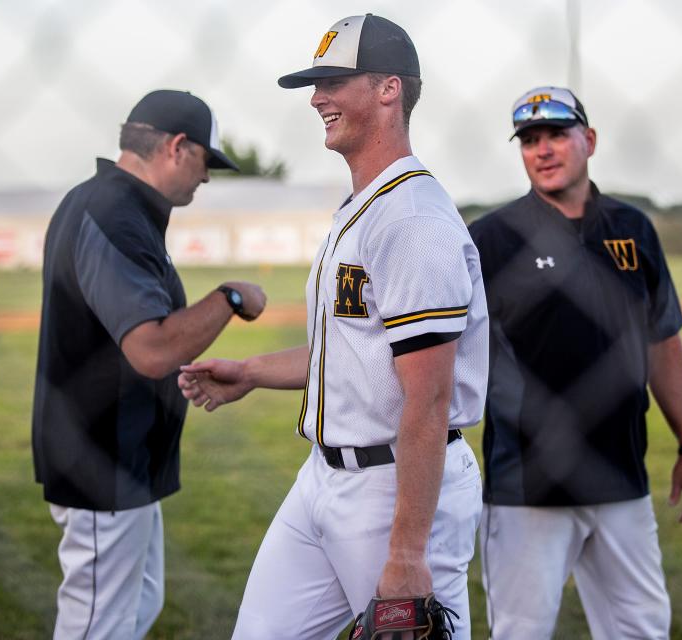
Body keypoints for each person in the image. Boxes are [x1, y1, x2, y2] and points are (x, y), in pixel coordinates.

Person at [178, 14, 488, 639]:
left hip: (394, 489)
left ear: (389, 89)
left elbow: (427, 401)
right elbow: (349, 353)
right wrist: (251, 372)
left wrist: (406, 553)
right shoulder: (362, 206)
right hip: (323, 479)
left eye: (333, 81)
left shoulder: (413, 220)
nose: (316, 97)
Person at [468, 86, 682, 639]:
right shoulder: (491, 238)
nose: (543, 149)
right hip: (527, 488)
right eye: (530, 140)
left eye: (557, 134)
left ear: (589, 140)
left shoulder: (632, 228)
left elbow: (663, 345)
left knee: (643, 631)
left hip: (622, 479)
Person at [32, 89, 267, 640]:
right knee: (98, 625)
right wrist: (230, 298)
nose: (206, 178)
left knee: (137, 603)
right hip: (100, 457)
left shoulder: (112, 204)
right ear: (177, 147)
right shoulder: (113, 210)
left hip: (121, 452)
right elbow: (151, 348)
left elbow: (139, 343)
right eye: (205, 161)